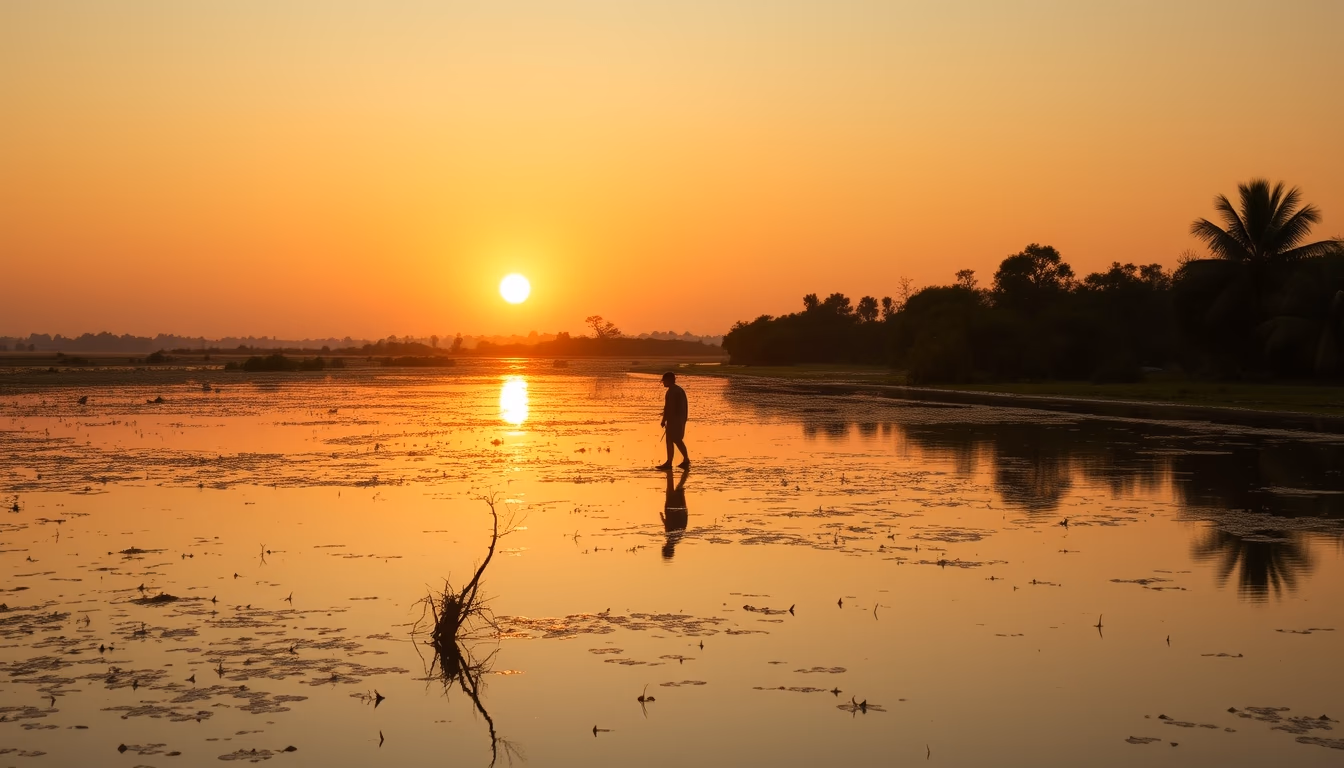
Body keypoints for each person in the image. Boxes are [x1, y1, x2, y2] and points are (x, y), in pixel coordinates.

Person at [655, 371, 689, 470]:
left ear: (669, 380)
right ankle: (670, 462)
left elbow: (669, 408)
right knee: (671, 440)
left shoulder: (672, 392)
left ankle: (684, 460)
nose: (663, 383)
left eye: (664, 381)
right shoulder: (678, 390)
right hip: (680, 419)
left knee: (677, 440)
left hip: (675, 420)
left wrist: (664, 419)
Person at [660, 467, 689, 559]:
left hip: (675, 510)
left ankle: (675, 471)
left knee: (677, 488)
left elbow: (668, 525)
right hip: (674, 510)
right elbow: (671, 525)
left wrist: (663, 519)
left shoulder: (675, 538)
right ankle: (682, 471)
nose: (664, 546)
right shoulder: (674, 537)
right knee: (676, 488)